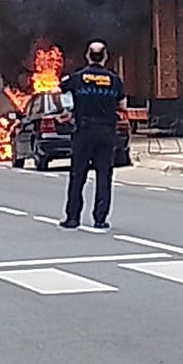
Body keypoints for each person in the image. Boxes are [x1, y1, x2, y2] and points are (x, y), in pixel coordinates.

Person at [57, 40, 125, 230]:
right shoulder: (114, 80)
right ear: (105, 57)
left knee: (78, 174)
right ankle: (100, 219)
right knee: (104, 174)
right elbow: (122, 106)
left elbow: (61, 91)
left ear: (87, 56)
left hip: (84, 131)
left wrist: (69, 110)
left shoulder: (76, 78)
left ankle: (72, 218)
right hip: (106, 131)